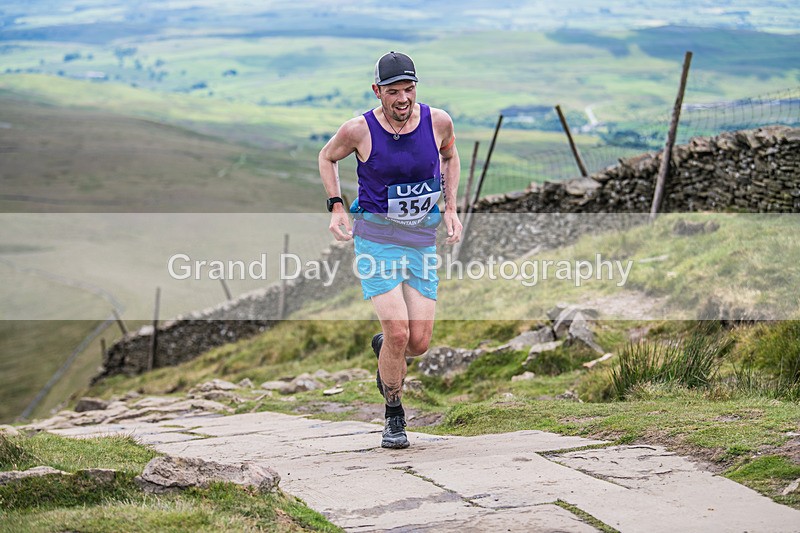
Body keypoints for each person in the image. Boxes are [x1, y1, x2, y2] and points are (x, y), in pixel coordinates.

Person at [318, 51, 462, 449]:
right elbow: (327, 157)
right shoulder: (358, 130)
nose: (403, 99)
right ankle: (394, 416)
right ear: (377, 91)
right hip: (376, 238)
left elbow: (450, 156)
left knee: (418, 343)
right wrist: (336, 206)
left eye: (409, 89)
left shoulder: (438, 122)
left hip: (420, 240)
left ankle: (386, 350)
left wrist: (451, 208)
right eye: (393, 91)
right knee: (398, 331)